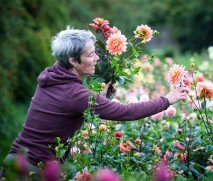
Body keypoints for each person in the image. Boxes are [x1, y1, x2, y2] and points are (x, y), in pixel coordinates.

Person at [2, 27, 188, 174]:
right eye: (90, 55)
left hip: (15, 161)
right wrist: (167, 99)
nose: (97, 58)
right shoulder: (76, 94)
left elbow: (67, 105)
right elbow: (125, 112)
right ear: (73, 61)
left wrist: (100, 98)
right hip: (29, 171)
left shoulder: (51, 76)